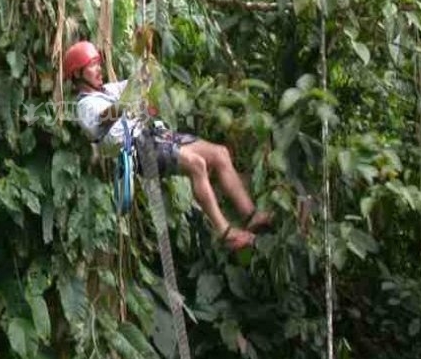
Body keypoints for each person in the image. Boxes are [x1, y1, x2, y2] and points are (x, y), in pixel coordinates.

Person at [64, 40, 272, 251]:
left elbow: (137, 83)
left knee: (220, 154)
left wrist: (146, 64)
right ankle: (225, 232)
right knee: (196, 164)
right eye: (92, 65)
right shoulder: (85, 107)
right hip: (139, 151)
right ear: (78, 74)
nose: (99, 69)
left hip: (153, 136)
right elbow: (108, 115)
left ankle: (251, 215)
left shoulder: (107, 90)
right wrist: (130, 97)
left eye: (99, 63)